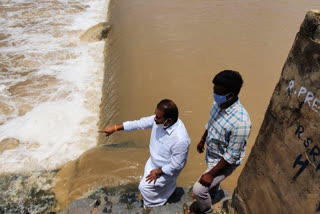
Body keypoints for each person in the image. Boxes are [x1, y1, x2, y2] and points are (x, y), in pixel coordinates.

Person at [99, 99, 191, 208]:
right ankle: (167, 191)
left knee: (144, 187)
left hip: (166, 169)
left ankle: (153, 206)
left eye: (158, 117)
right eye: (155, 114)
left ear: (169, 121)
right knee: (151, 185)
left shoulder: (180, 140)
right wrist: (115, 128)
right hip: (153, 162)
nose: (154, 118)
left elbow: (177, 165)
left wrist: (158, 172)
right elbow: (139, 123)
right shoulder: (159, 121)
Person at [191, 70, 251, 213]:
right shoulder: (218, 104)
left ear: (230, 95)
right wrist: (202, 139)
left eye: (218, 92)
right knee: (208, 186)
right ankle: (211, 193)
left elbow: (231, 156)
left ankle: (206, 210)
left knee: (198, 190)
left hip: (224, 162)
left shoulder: (241, 122)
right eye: (214, 90)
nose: (214, 94)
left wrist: (210, 174)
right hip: (213, 152)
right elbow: (211, 122)